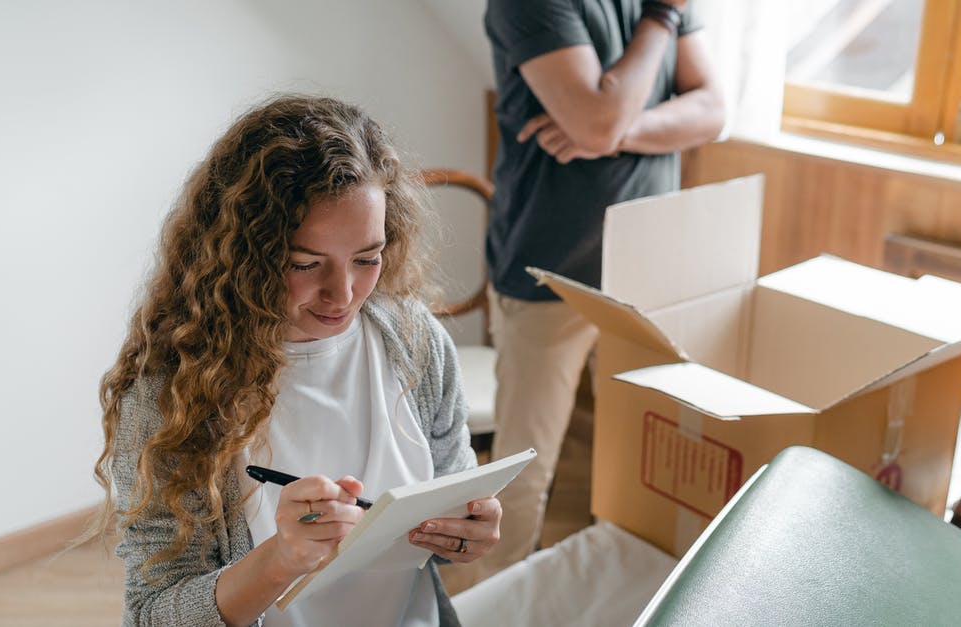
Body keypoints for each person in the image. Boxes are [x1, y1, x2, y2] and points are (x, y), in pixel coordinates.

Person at [87, 94, 500, 627]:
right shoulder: (173, 393)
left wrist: (468, 533)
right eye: (305, 264)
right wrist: (278, 561)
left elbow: (449, 514)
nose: (344, 294)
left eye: (367, 259)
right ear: (244, 257)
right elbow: (151, 614)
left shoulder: (417, 342)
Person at [472, 0, 725, 581]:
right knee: (521, 477)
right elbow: (594, 120)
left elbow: (712, 110)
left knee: (617, 471)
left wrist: (616, 129)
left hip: (644, 277)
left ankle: (566, 602)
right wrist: (661, 15)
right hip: (548, 272)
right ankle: (482, 611)